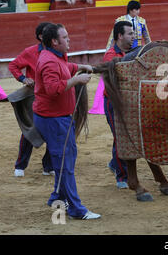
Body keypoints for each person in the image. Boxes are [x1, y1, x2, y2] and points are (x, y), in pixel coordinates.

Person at [33, 23, 100, 219]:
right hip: (54, 120)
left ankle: (57, 196)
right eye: (66, 37)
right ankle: (75, 209)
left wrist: (79, 67)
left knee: (66, 159)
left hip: (56, 118)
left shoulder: (53, 57)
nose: (69, 40)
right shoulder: (49, 62)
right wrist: (77, 80)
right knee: (65, 164)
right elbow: (53, 88)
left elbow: (66, 67)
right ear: (55, 41)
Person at [8, 22, 54, 178]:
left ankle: (48, 166)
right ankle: (20, 164)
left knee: (54, 131)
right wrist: (23, 78)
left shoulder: (58, 51)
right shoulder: (30, 52)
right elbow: (13, 65)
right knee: (30, 130)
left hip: (53, 96)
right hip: (34, 97)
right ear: (41, 36)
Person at [103, 21, 135, 189]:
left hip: (126, 103)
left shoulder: (129, 54)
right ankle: (121, 175)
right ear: (120, 36)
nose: (133, 37)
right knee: (121, 138)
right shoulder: (111, 56)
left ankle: (114, 164)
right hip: (113, 103)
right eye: (130, 34)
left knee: (124, 137)